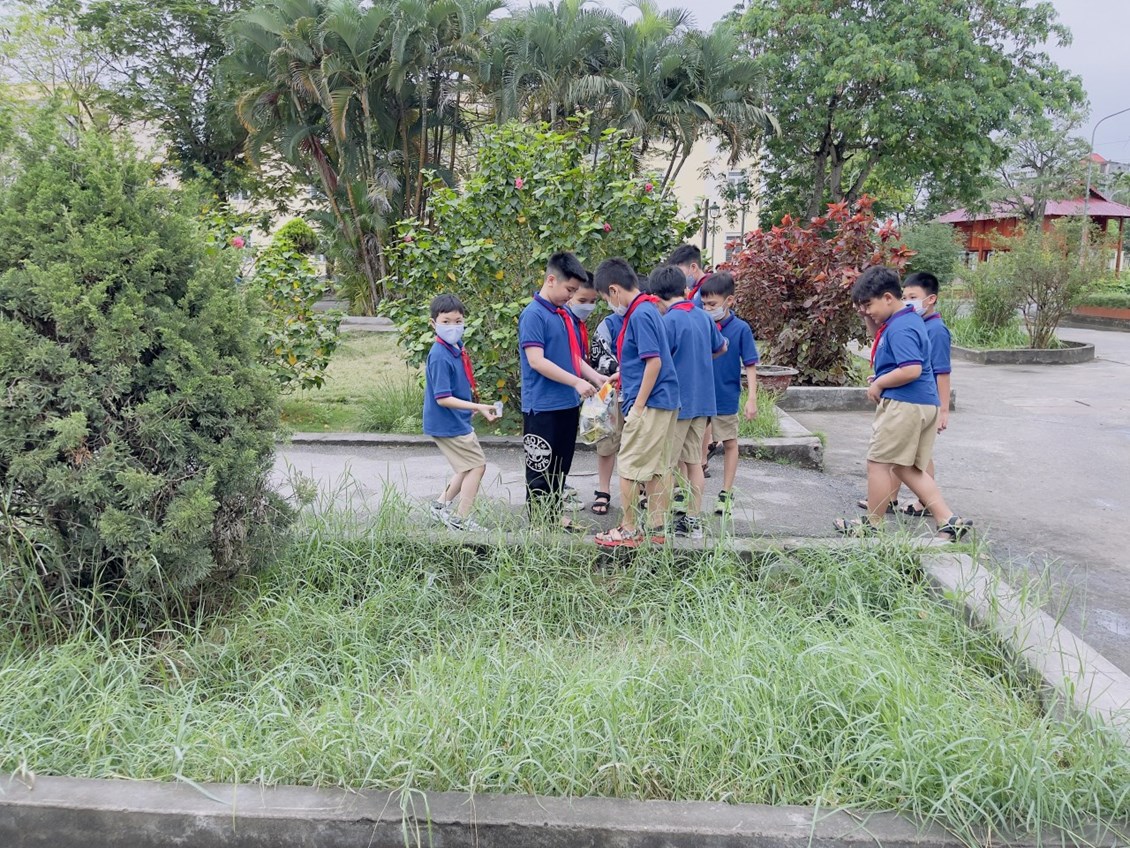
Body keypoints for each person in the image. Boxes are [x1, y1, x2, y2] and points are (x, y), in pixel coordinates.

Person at [836, 267, 971, 540]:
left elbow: (911, 369)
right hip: (921, 402)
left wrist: (879, 383)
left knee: (878, 463)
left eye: (868, 305)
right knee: (906, 468)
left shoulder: (901, 328)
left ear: (888, 298)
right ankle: (948, 521)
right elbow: (880, 337)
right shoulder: (904, 320)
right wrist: (866, 315)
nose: (866, 311)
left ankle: (871, 526)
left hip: (905, 404)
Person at [591, 258, 680, 547]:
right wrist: (624, 374)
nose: (608, 304)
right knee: (658, 467)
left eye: (605, 298)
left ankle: (628, 529)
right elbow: (645, 360)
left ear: (614, 290)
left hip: (650, 402)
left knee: (629, 465)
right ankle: (657, 528)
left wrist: (638, 407)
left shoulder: (640, 314)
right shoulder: (647, 308)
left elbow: (654, 363)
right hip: (664, 399)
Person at [519, 252, 606, 529]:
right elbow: (536, 360)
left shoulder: (563, 316)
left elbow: (573, 356)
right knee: (540, 466)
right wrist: (575, 382)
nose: (570, 296)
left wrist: (595, 377)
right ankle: (540, 523)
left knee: (560, 466)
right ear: (551, 280)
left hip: (566, 403)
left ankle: (553, 516)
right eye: (569, 290)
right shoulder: (533, 315)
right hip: (542, 405)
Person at [651, 264, 727, 539]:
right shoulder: (704, 317)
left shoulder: (667, 322)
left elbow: (658, 362)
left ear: (656, 296)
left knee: (666, 465)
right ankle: (693, 521)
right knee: (695, 463)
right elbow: (721, 347)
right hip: (703, 401)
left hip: (676, 404)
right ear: (685, 290)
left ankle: (659, 522)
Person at [423, 294, 501, 531]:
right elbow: (443, 398)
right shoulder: (439, 355)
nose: (453, 327)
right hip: (448, 423)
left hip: (455, 420)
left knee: (466, 466)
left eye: (458, 321)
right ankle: (461, 519)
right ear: (433, 323)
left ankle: (440, 506)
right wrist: (478, 406)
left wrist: (472, 408)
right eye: (446, 322)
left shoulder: (456, 348)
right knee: (477, 466)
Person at [698, 272, 760, 516]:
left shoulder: (741, 329)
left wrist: (752, 399)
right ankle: (688, 491)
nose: (707, 309)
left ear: (729, 301)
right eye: (704, 304)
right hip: (699, 396)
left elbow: (751, 365)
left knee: (730, 443)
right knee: (691, 445)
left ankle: (726, 492)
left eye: (712, 304)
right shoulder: (700, 324)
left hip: (725, 396)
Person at [588, 279, 625, 517]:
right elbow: (599, 357)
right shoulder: (609, 324)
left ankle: (642, 489)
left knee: (639, 443)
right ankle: (603, 489)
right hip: (612, 394)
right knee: (606, 443)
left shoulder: (647, 319)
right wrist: (623, 370)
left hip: (641, 394)